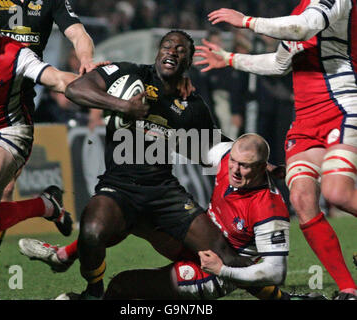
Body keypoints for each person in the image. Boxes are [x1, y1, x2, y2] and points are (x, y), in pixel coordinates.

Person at [22, 29, 260, 300]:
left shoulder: (190, 103)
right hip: (119, 187)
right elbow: (76, 89)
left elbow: (211, 146)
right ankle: (93, 293)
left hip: (164, 192)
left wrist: (260, 163)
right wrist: (121, 106)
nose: (172, 51)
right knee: (92, 231)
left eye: (180, 50)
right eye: (167, 46)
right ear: (158, 52)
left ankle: (279, 295)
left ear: (188, 62)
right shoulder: (130, 74)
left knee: (223, 253)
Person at [194, 2, 357, 300]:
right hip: (306, 121)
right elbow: (281, 63)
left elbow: (304, 27)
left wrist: (246, 21)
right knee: (302, 198)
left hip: (341, 108)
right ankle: (348, 288)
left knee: (337, 193)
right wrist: (230, 59)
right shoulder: (299, 8)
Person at [99, 134, 325, 300]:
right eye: (234, 161)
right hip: (199, 238)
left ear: (261, 168)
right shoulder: (228, 158)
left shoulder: (269, 208)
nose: (234, 170)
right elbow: (192, 143)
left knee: (122, 285)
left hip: (216, 271)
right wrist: (162, 135)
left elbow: (276, 271)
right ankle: (73, 255)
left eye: (245, 166)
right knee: (131, 214)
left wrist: (222, 270)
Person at [0, 0, 83, 299]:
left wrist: (98, 81)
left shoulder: (15, 52)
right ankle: (45, 205)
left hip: (10, 124)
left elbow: (59, 77)